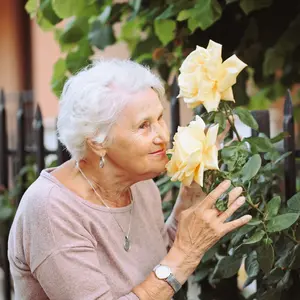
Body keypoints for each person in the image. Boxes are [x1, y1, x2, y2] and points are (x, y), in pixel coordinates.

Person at [8, 59, 251, 300]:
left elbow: (156, 266)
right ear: (98, 142)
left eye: (160, 118)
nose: (162, 136)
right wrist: (187, 251)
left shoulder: (141, 186)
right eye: (144, 125)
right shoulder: (52, 210)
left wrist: (187, 205)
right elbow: (173, 266)